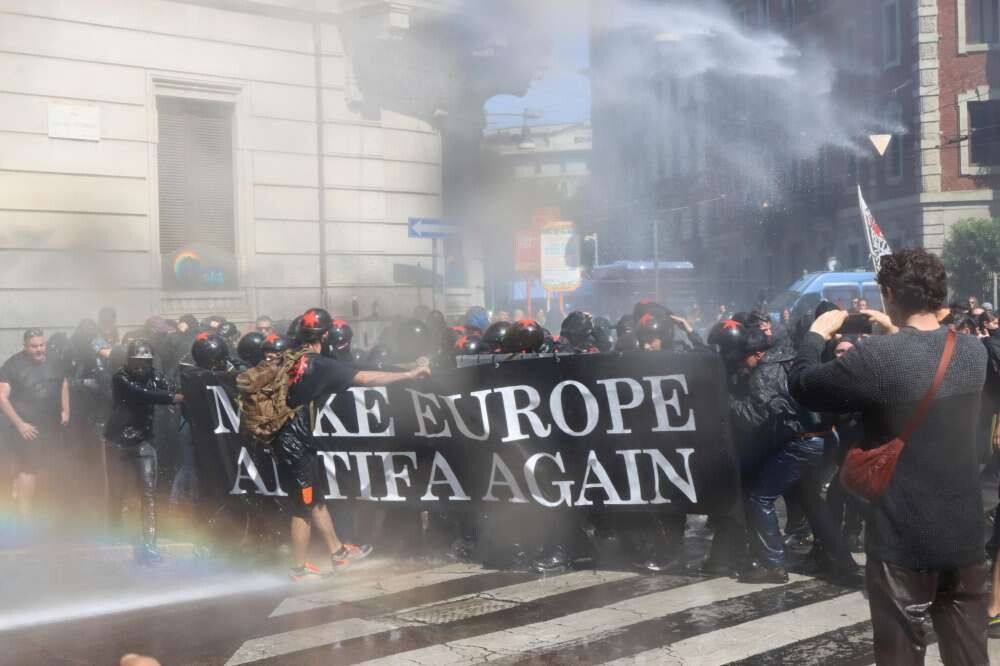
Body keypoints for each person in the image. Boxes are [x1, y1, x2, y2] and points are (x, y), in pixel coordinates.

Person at [789, 248, 988, 665]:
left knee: (899, 654)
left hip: (903, 537)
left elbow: (804, 385)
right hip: (965, 535)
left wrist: (815, 335)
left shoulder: (877, 357)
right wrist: (898, 332)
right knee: (970, 655)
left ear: (889, 294)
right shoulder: (974, 351)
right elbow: (927, 359)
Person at [275, 308, 430, 580]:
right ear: (325, 336)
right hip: (295, 444)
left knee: (316, 499)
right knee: (303, 506)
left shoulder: (290, 358)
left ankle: (338, 553)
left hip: (291, 439)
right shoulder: (318, 364)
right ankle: (298, 569)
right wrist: (410, 374)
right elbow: (366, 378)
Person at [104, 339, 183, 563]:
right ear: (128, 361)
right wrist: (172, 398)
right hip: (117, 442)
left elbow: (172, 388)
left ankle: (149, 544)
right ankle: (114, 534)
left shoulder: (155, 375)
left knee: (148, 494)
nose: (140, 367)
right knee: (117, 492)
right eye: (136, 362)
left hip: (143, 442)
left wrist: (182, 392)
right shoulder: (120, 377)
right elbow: (141, 394)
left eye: (145, 362)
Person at [0, 329, 70, 522]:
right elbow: (2, 397)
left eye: (41, 345)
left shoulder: (55, 360)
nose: (39, 349)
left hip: (52, 426)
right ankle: (25, 517)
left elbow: (63, 383)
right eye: (34, 346)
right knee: (28, 469)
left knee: (49, 466)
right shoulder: (13, 365)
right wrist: (20, 424)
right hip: (28, 429)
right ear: (25, 346)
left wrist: (66, 410)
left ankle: (46, 510)